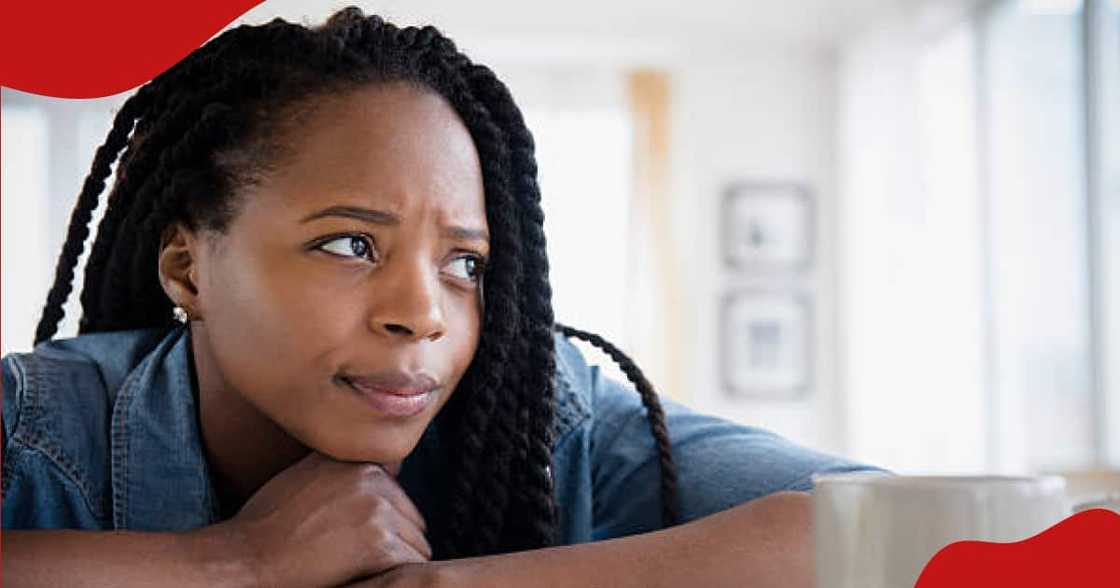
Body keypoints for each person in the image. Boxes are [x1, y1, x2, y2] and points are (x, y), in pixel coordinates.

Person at [1, 7, 881, 587]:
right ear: (189, 269)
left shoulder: (552, 423)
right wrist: (233, 564)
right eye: (350, 244)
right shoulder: (37, 427)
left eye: (464, 264)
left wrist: (450, 585)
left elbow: (914, 539)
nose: (422, 314)